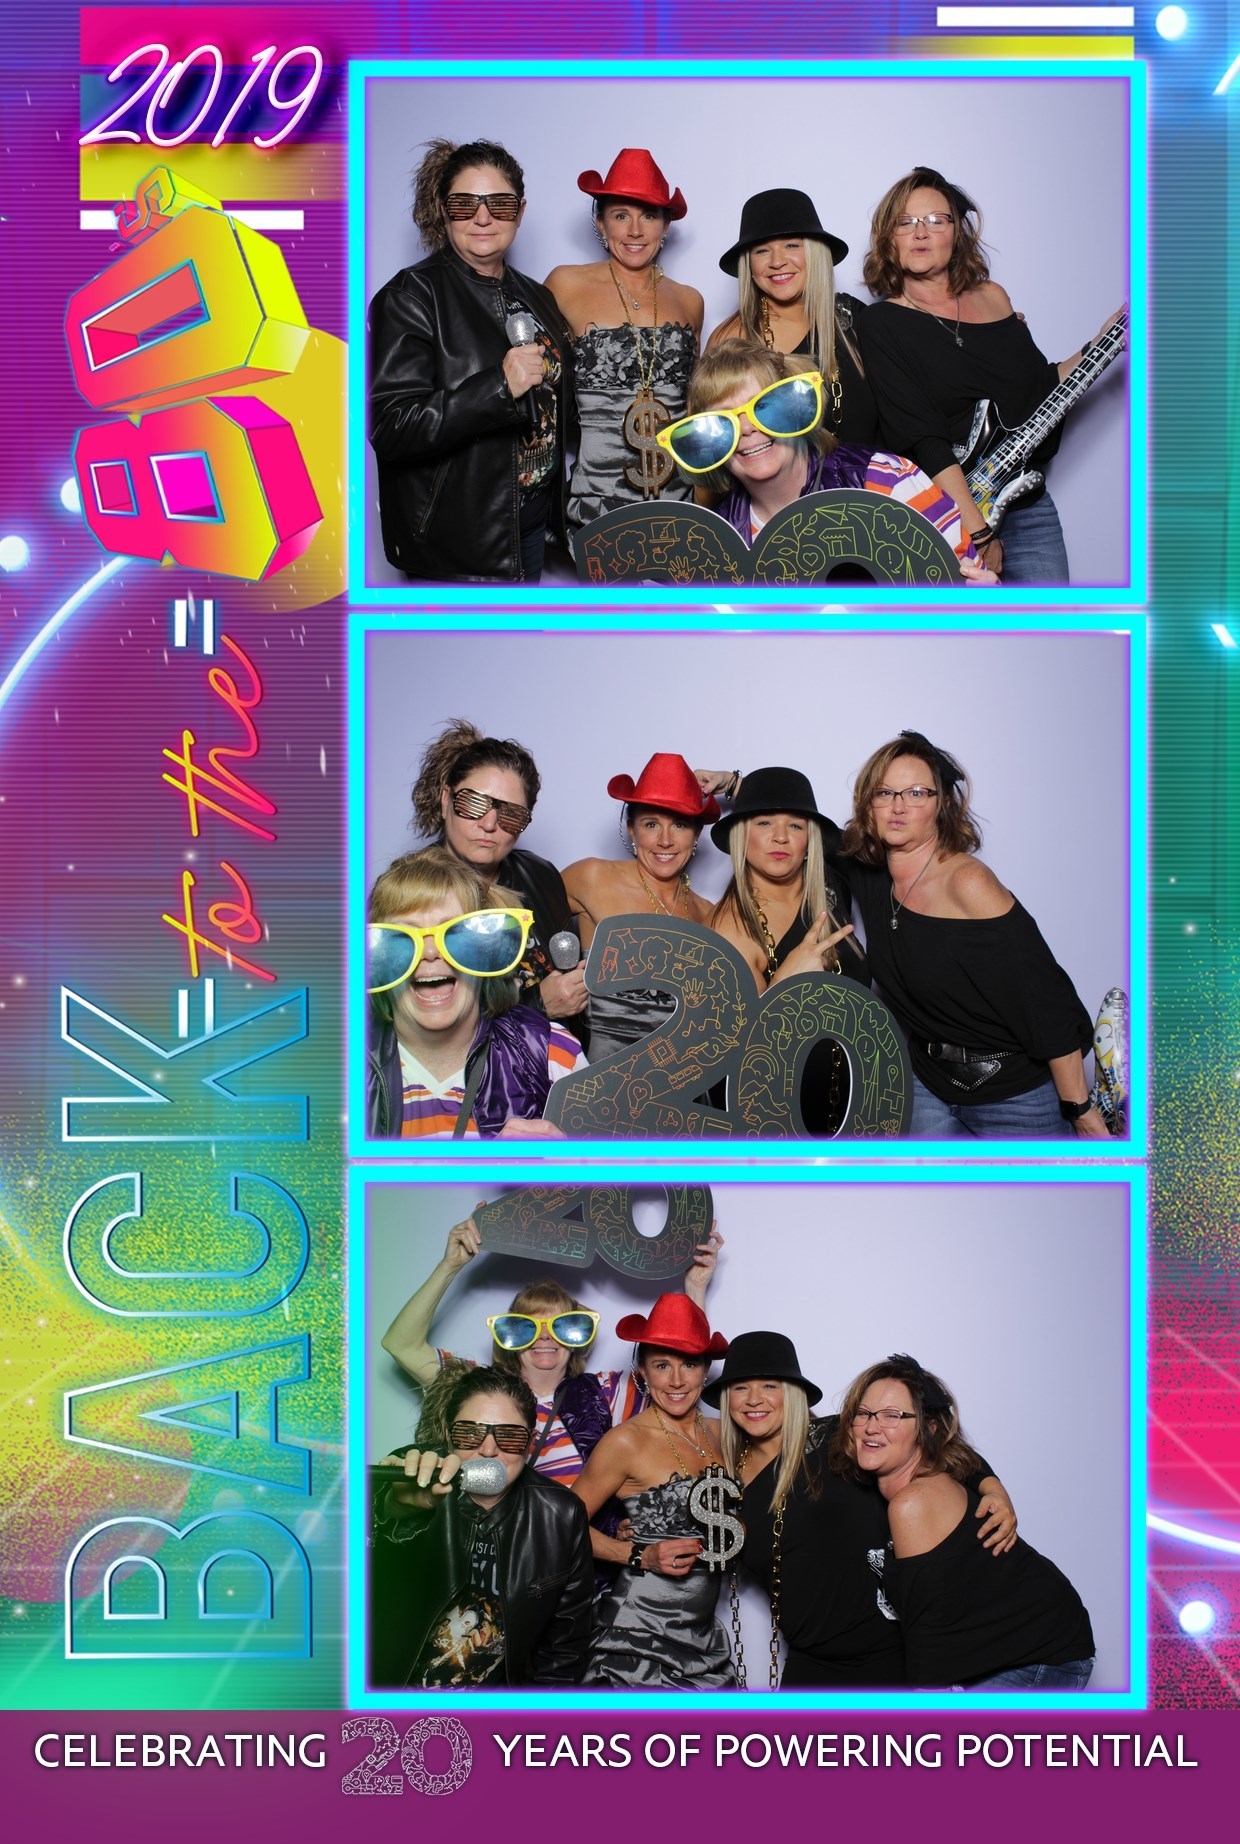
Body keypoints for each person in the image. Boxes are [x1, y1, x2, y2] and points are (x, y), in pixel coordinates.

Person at [858, 164, 1124, 584]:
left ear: (957, 233)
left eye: (936, 220)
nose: (921, 233)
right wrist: (978, 533)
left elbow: (1039, 389)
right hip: (949, 517)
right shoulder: (880, 324)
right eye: (905, 223)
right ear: (889, 239)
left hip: (1028, 507)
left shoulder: (994, 297)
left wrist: (1105, 339)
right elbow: (922, 437)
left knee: (1049, 622)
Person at [838, 730, 1108, 1140]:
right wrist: (742, 792)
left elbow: (1046, 1003)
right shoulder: (873, 877)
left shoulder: (968, 883)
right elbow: (804, 833)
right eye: (884, 792)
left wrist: (1079, 1108)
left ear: (942, 804)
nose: (898, 806)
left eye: (916, 793)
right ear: (868, 803)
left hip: (1014, 1094)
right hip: (928, 1083)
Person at [709, 1331, 1017, 1688]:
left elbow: (941, 1447)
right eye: (740, 1388)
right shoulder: (725, 1477)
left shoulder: (839, 1437)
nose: (754, 1399)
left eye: (769, 1386)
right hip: (811, 1661)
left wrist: (992, 1488)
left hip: (889, 1652)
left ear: (792, 1392)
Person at [378, 1209, 722, 1487]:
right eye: (526, 1327)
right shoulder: (479, 1392)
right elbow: (400, 1345)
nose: (545, 1338)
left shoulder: (606, 1394)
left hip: (577, 1547)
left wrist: (695, 1287)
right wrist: (449, 1266)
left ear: (580, 1336)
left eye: (562, 1326)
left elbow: (679, 1368)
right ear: (507, 1336)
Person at [369, 137, 575, 583]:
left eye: (499, 204)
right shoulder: (411, 296)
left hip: (531, 527)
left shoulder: (537, 296)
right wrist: (499, 387)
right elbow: (391, 427)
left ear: (520, 212)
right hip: (461, 542)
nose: (483, 217)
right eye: (465, 204)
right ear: (444, 211)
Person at [835, 1354, 1095, 1690]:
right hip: (1005, 1651)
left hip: (1042, 1655)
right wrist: (992, 1485)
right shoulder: (930, 1473)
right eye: (863, 1413)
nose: (872, 1426)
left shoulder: (912, 1503)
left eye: (892, 1415)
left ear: (928, 1429)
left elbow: (928, 1633)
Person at [663, 342, 992, 580]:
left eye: (763, 407)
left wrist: (981, 598)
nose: (747, 429)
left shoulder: (884, 479)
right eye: (723, 421)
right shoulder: (718, 539)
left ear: (795, 409)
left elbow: (964, 583)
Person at [370, 1366, 594, 1687]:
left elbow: (564, 1652)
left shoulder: (561, 1514)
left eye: (510, 1435)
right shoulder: (410, 1474)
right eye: (469, 1433)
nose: (488, 1450)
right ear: (448, 1435)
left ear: (530, 1443)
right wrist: (398, 1509)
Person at [570, 1295, 735, 1687]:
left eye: (689, 1364)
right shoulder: (625, 1441)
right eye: (662, 1365)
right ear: (642, 1372)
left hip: (701, 1637)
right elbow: (560, 1525)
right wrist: (637, 1554)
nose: (676, 1380)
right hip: (635, 1638)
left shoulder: (723, 1434)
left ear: (705, 1370)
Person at [365, 847, 584, 1139]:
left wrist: (564, 1165)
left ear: (486, 951)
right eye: (402, 939)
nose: (430, 953)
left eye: (454, 935)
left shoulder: (551, 1054)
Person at [544, 148, 703, 535]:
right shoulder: (565, 284)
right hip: (596, 500)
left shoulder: (690, 300)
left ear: (665, 225)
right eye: (620, 216)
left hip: (678, 500)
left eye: (648, 216)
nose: (635, 230)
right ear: (600, 222)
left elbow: (695, 406)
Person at [708, 766, 868, 1136]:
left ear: (810, 841)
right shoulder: (731, 930)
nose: (780, 837)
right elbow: (733, 1058)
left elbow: (867, 843)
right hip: (783, 1121)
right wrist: (783, 983)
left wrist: (735, 784)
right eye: (763, 823)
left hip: (858, 1108)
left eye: (795, 825)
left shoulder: (830, 887)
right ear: (740, 835)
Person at [409, 718, 587, 1035]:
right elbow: (403, 1020)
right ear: (446, 800)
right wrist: (537, 1005)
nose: (489, 824)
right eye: (474, 803)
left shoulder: (540, 875)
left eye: (511, 814)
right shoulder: (408, 890)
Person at [562, 753, 719, 1063]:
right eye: (651, 824)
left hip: (686, 1080)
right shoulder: (592, 878)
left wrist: (734, 782)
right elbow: (519, 920)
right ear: (632, 829)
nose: (665, 841)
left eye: (679, 825)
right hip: (602, 1080)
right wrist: (540, 994)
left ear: (696, 834)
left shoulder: (708, 913)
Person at [706, 187, 878, 446]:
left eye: (791, 245)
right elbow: (713, 443)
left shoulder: (853, 319)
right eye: (762, 250)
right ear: (748, 264)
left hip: (872, 471)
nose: (777, 261)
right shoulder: (732, 339)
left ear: (815, 252)